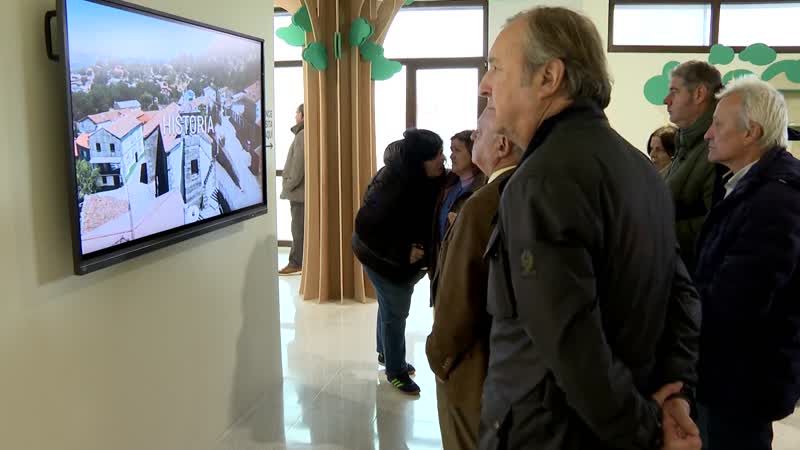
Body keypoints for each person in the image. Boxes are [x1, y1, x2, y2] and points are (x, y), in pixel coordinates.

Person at [477, 7, 702, 449]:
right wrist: (677, 393)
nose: (485, 84)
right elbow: (683, 297)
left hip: (552, 434)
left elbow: (570, 339)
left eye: (496, 67)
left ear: (549, 77)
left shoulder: (541, 179)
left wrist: (648, 432)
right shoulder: (640, 169)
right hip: (616, 419)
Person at [694, 76, 800, 450]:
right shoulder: (747, 187)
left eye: (718, 124)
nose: (708, 134)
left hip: (741, 380)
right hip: (729, 373)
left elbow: (741, 299)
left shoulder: (775, 199)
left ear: (750, 132)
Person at [426, 105, 521, 450]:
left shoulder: (484, 203)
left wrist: (439, 356)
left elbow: (460, 298)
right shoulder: (519, 189)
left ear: (502, 146)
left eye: (478, 135)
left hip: (473, 360)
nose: (471, 139)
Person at [352, 128, 446, 395]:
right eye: (436, 155)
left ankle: (385, 353)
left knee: (388, 305)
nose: (443, 159)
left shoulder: (429, 175)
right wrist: (403, 252)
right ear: (419, 161)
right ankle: (395, 371)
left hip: (400, 259)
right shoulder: (391, 183)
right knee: (396, 312)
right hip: (381, 257)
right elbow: (365, 227)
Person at [663, 61, 722, 272]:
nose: (666, 100)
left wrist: (656, 231)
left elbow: (717, 224)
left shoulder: (717, 150)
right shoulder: (686, 144)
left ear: (699, 94)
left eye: (674, 92)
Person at [428, 130, 486, 302]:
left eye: (457, 151)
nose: (451, 156)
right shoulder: (448, 184)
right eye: (451, 150)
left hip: (461, 271)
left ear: (474, 152)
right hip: (440, 265)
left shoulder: (483, 190)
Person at [279, 104, 305, 275]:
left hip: (299, 194)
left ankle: (296, 263)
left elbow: (298, 167)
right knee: (299, 228)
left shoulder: (302, 135)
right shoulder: (303, 134)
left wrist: (287, 185)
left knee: (298, 229)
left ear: (303, 115)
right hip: (301, 193)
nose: (294, 116)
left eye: (296, 113)